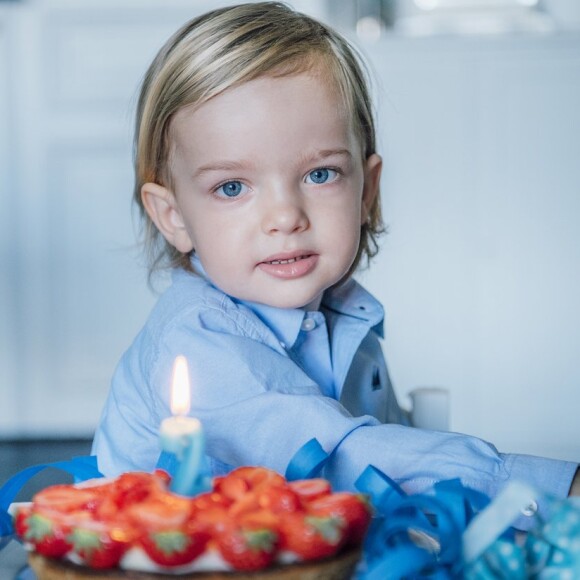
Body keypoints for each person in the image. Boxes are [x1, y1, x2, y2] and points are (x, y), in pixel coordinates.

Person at [92, 1, 578, 529]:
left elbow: (396, 462)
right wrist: (551, 492)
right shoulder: (199, 342)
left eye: (320, 175)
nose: (284, 216)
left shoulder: (347, 316)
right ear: (173, 216)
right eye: (231, 187)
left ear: (367, 190)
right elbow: (345, 458)